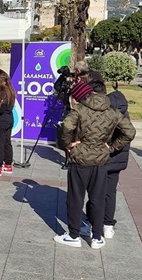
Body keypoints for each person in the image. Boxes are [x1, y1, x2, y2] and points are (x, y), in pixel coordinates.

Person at [55, 82, 135, 249]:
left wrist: (68, 144)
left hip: (80, 158)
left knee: (75, 198)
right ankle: (97, 237)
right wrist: (112, 147)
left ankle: (74, 235)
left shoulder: (79, 110)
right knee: (98, 198)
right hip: (101, 160)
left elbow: (67, 126)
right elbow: (130, 132)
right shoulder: (112, 111)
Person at [90, 81, 130, 240]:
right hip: (118, 158)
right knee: (110, 192)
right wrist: (114, 148)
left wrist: (109, 147)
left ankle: (95, 224)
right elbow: (128, 133)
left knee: (96, 192)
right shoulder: (123, 110)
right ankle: (108, 225)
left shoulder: (105, 111)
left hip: (103, 156)